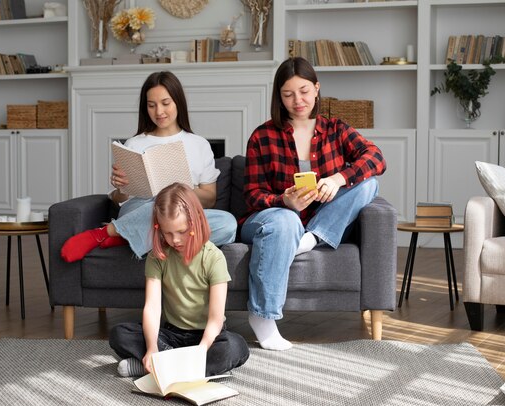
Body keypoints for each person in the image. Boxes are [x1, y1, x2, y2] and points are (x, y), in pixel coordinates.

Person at [240, 57, 387, 351]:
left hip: (325, 220)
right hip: (275, 220)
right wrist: (283, 200)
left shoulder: (336, 129)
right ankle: (263, 318)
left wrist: (338, 179)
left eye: (304, 91)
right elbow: (252, 195)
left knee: (369, 183)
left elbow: (377, 158)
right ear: (278, 97)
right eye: (288, 94)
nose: (298, 100)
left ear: (317, 89)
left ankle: (311, 238)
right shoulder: (262, 135)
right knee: (285, 221)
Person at [60, 71, 237, 262]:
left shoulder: (199, 144)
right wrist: (121, 188)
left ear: (178, 102)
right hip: (142, 208)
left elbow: (209, 200)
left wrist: (181, 193)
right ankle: (119, 233)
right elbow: (120, 199)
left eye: (165, 103)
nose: (159, 112)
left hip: (184, 215)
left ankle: (121, 235)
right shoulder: (134, 144)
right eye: (151, 105)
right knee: (157, 205)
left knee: (227, 224)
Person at [108, 182, 250, 377]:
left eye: (181, 232)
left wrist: (202, 349)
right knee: (119, 333)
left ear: (196, 222)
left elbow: (216, 319)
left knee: (236, 347)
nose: (175, 240)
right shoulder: (157, 257)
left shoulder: (213, 258)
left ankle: (159, 367)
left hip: (206, 337)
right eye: (167, 233)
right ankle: (182, 367)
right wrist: (151, 348)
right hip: (170, 335)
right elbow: (152, 307)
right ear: (158, 228)